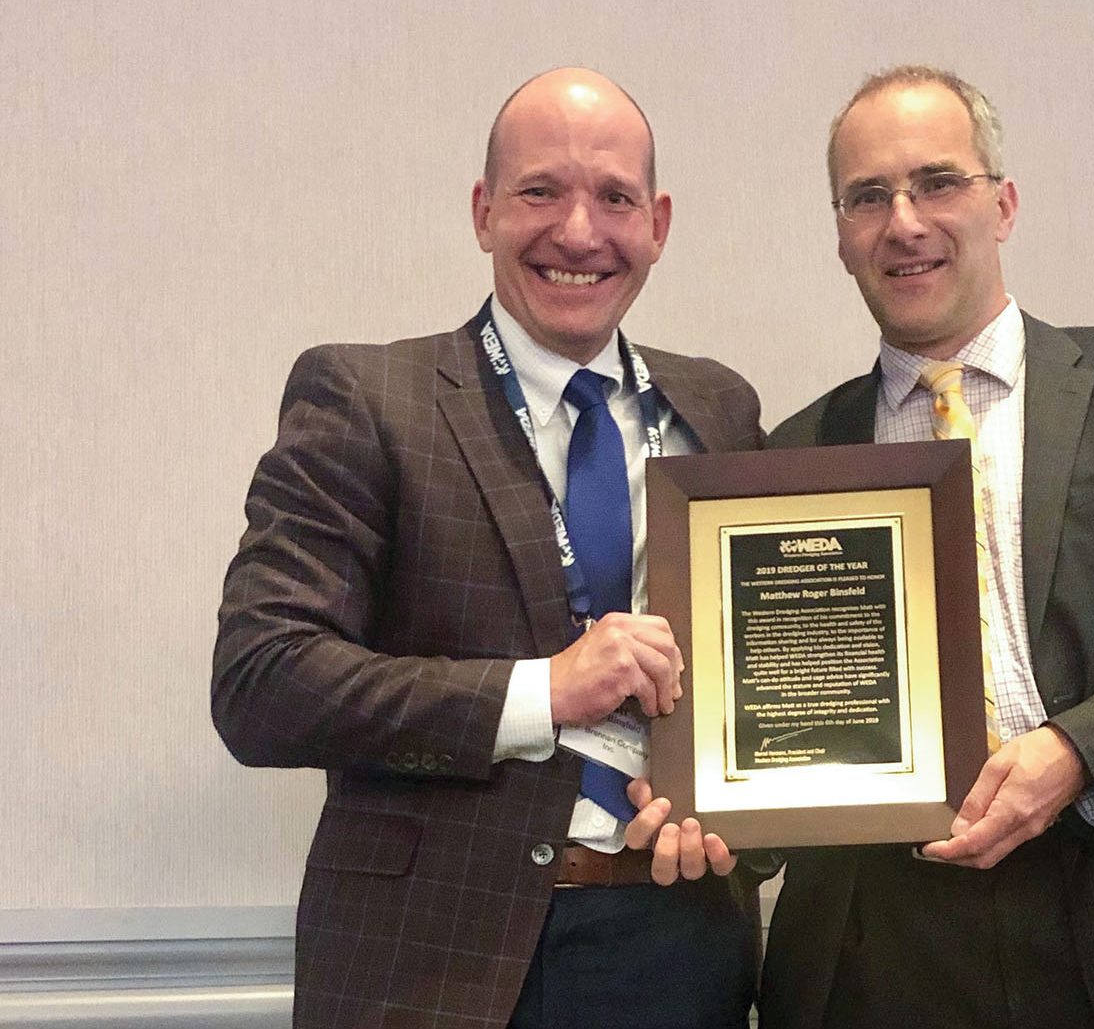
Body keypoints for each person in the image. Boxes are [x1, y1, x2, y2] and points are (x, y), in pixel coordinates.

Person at [754, 66, 1094, 1029]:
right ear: (840, 234)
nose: (904, 221)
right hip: (883, 940)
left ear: (1002, 203)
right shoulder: (790, 456)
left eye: (937, 182)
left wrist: (1075, 752)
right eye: (867, 196)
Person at [212, 67, 763, 1029]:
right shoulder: (368, 397)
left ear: (658, 224)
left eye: (615, 198)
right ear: (483, 211)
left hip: (678, 945)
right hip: (432, 959)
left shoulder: (718, 407)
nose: (580, 231)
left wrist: (746, 824)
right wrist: (540, 691)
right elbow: (262, 682)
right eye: (540, 190)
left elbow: (765, 675)